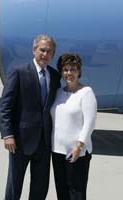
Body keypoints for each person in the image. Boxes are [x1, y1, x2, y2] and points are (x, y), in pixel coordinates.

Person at [0, 35, 61, 200]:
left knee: (40, 186)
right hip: (20, 140)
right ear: (34, 50)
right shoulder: (19, 72)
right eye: (42, 50)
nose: (45, 54)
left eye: (49, 51)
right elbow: (5, 106)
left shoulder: (55, 76)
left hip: (45, 142)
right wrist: (8, 134)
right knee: (14, 185)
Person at [50, 53, 97, 200]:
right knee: (62, 192)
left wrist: (79, 147)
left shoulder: (86, 92)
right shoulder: (58, 92)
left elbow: (90, 123)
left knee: (76, 193)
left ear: (79, 71)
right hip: (57, 150)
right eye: (65, 70)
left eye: (73, 69)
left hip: (76, 152)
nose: (69, 73)